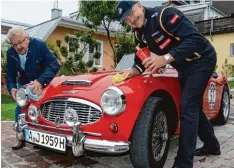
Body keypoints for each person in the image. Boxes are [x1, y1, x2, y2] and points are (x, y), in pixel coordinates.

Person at [116, 1, 220, 168]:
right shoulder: (139, 33)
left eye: (131, 13)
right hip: (184, 66)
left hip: (203, 60)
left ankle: (183, 163)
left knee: (187, 107)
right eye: (126, 19)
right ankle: (212, 145)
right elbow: (141, 57)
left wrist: (164, 59)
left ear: (140, 5)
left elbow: (195, 40)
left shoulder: (166, 15)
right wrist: (133, 71)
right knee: (193, 108)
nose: (131, 20)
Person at [5, 27, 60, 150]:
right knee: (20, 108)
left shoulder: (40, 45)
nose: (18, 47)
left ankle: (39, 137)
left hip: (43, 82)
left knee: (41, 108)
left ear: (27, 38)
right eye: (15, 44)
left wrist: (40, 81)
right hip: (23, 83)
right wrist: (12, 88)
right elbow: (10, 73)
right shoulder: (10, 53)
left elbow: (54, 64)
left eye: (20, 42)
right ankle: (20, 136)